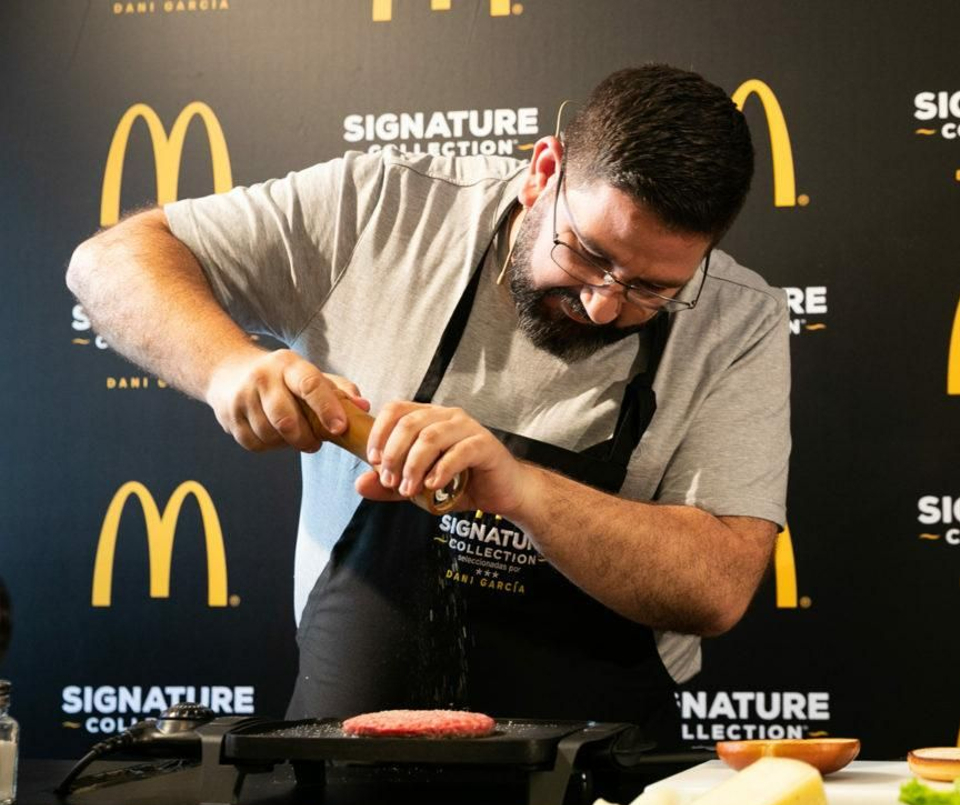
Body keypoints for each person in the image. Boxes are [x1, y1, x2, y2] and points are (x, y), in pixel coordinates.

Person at [66, 65, 791, 744]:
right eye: (588, 255)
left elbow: (717, 587)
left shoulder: (737, 320)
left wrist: (524, 491)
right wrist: (230, 368)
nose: (604, 305)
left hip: (600, 774)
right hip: (348, 739)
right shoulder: (383, 209)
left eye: (652, 288)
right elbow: (109, 262)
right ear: (544, 173)